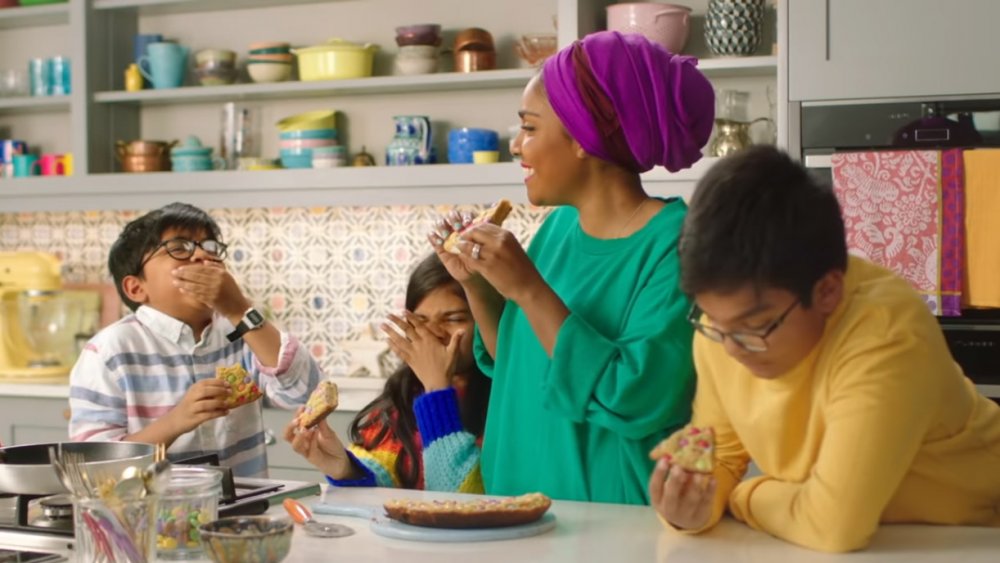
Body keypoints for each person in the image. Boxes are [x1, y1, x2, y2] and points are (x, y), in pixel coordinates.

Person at [650, 146, 1000, 552]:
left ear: (828, 291)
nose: (731, 350)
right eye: (714, 323)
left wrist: (743, 497)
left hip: (971, 537)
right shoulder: (724, 327)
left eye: (755, 327)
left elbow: (833, 526)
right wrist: (690, 511)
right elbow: (721, 460)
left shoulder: (886, 333)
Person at [427, 31, 715, 504]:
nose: (517, 145)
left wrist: (528, 289)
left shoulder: (678, 245)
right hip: (515, 509)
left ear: (585, 137)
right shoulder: (558, 228)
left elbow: (637, 395)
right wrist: (476, 285)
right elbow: (519, 361)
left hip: (608, 525)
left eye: (530, 127)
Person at [69, 202, 321, 477]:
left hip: (244, 515)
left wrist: (239, 309)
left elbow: (309, 394)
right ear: (136, 287)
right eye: (179, 248)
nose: (203, 255)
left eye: (210, 247)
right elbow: (94, 467)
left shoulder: (241, 332)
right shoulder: (109, 352)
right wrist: (178, 420)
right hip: (150, 514)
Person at [284, 253, 491, 492]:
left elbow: (458, 505)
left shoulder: (509, 400)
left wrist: (437, 389)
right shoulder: (402, 397)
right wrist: (344, 468)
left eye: (453, 319)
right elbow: (384, 481)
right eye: (420, 321)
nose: (433, 333)